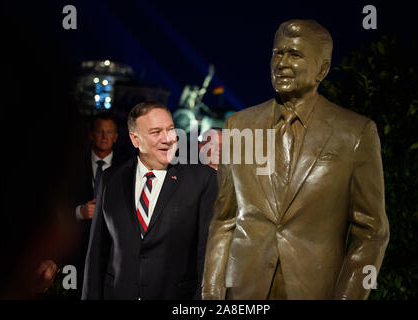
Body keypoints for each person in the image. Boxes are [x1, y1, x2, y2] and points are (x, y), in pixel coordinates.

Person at [202, 19, 390, 300]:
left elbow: (372, 233)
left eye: (295, 54)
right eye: (277, 53)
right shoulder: (238, 125)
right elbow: (224, 219)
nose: (282, 63)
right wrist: (212, 294)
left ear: (322, 69)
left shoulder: (355, 133)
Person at [82, 101, 218, 300]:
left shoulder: (202, 180)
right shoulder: (111, 178)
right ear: (135, 140)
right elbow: (96, 255)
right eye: (156, 132)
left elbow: (208, 259)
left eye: (171, 130)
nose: (168, 139)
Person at [72, 112, 125, 296]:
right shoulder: (73, 166)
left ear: (116, 137)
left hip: (112, 254)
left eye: (109, 132)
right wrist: (79, 212)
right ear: (91, 135)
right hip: (74, 251)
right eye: (100, 131)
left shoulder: (127, 169)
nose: (104, 136)